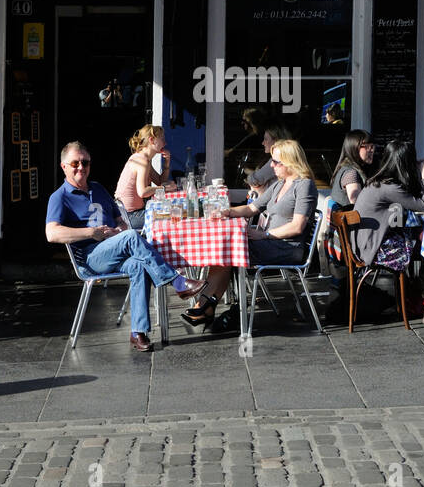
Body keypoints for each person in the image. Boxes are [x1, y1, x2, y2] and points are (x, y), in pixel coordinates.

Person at [45, 141, 205, 352]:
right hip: (90, 257)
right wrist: (90, 233)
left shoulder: (97, 188)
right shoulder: (59, 197)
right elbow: (52, 234)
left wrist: (119, 229)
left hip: (115, 248)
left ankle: (138, 332)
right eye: (75, 163)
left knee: (138, 264)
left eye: (85, 162)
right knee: (131, 237)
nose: (81, 167)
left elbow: (120, 220)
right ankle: (177, 281)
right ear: (64, 166)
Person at [182, 139, 317, 329]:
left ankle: (204, 305)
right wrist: (226, 211)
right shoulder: (280, 184)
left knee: (228, 250)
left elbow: (297, 227)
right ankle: (206, 305)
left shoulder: (304, 186)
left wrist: (264, 235)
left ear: (290, 162)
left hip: (286, 247)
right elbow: (252, 208)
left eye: (276, 161)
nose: (271, 165)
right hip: (271, 243)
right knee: (227, 250)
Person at [350, 141, 424, 326]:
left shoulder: (379, 182)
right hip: (377, 250)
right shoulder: (389, 188)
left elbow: (411, 200)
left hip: (369, 244)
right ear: (405, 163)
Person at [115, 124, 171, 229]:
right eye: (162, 139)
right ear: (151, 140)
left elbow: (160, 182)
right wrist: (164, 188)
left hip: (128, 214)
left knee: (171, 212)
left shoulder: (144, 159)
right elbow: (143, 192)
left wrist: (167, 162)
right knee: (171, 215)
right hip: (128, 217)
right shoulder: (142, 161)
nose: (165, 143)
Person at [329, 129, 375, 207]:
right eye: (367, 147)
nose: (371, 150)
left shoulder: (348, 167)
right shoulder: (351, 173)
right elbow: (357, 203)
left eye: (372, 146)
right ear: (354, 148)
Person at [245, 123, 291, 198]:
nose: (263, 143)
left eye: (266, 139)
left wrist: (250, 174)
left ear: (276, 141)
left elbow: (254, 180)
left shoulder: (278, 160)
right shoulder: (286, 157)